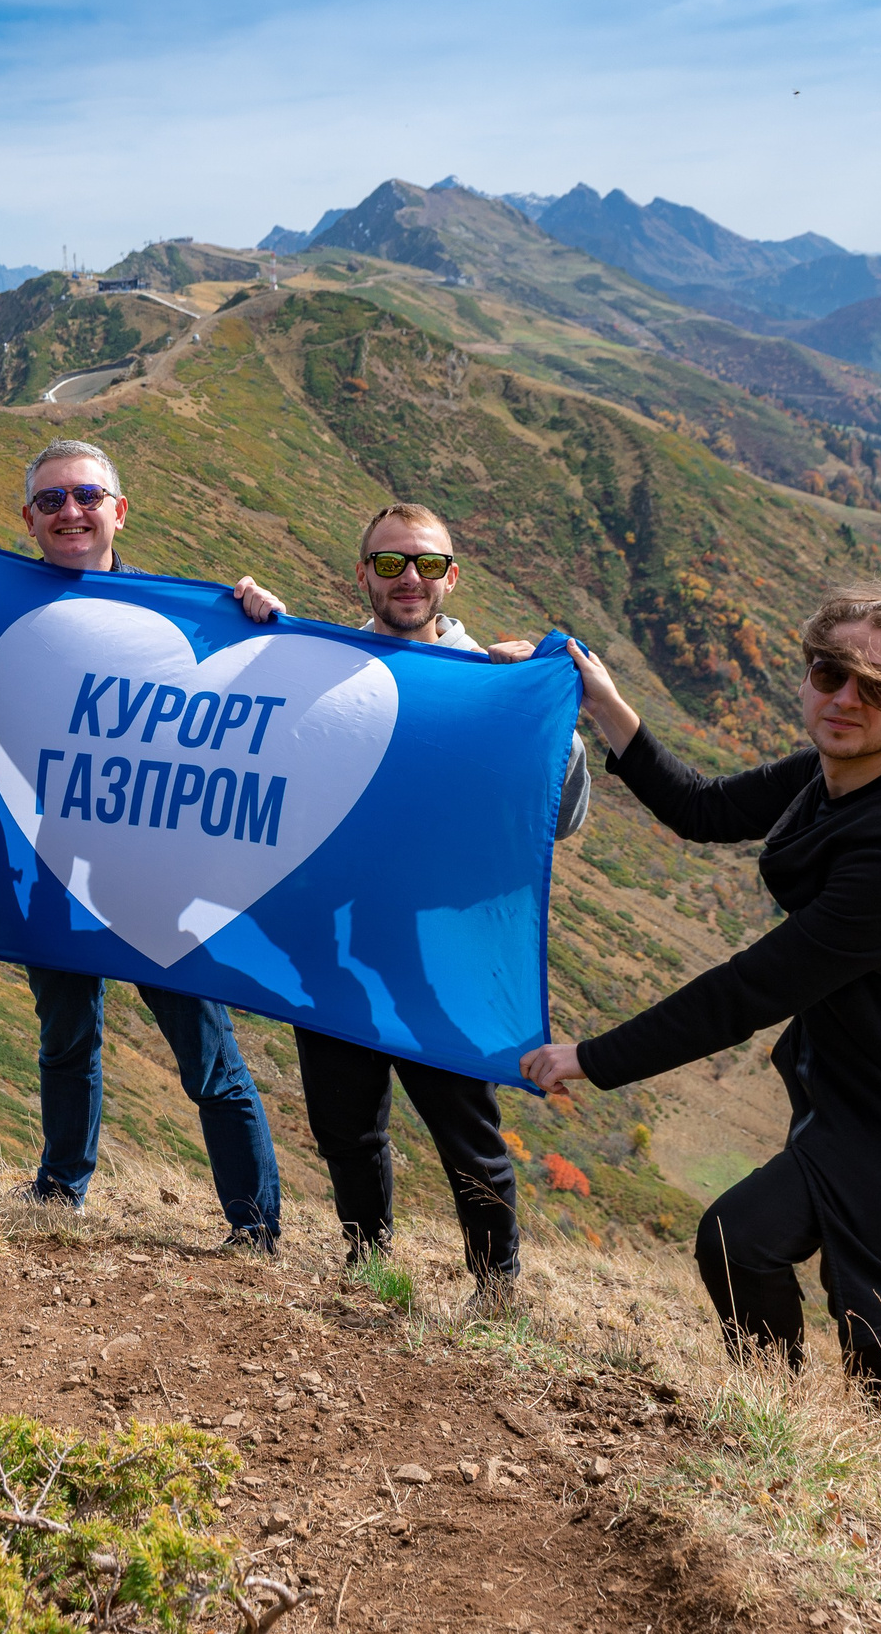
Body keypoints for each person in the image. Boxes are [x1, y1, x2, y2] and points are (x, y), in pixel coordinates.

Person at [522, 584, 881, 1411]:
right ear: (805, 674)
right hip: (851, 1093)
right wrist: (605, 702)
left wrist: (590, 1057)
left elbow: (748, 990)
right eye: (830, 673)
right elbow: (701, 807)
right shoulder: (828, 775)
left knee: (867, 1319)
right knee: (739, 1243)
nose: (845, 700)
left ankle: (880, 1484)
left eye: (876, 688)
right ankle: (775, 1419)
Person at [0, 438, 290, 1251]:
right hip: (52, 871)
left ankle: (257, 1227)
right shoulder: (2, 615)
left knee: (208, 1058)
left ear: (118, 511)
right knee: (65, 1038)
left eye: (86, 495)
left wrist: (264, 618)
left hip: (158, 883)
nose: (71, 511)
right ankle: (61, 1189)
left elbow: (257, 703)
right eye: (52, 500)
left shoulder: (183, 615)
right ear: (28, 519)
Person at [292, 502, 593, 1288]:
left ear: (452, 577)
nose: (410, 578)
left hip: (443, 951)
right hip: (337, 943)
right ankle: (368, 1266)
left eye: (426, 563)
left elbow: (558, 821)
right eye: (390, 563)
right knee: (344, 1123)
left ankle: (496, 1290)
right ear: (362, 574)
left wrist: (543, 719)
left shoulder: (494, 685)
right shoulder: (329, 670)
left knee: (466, 1130)